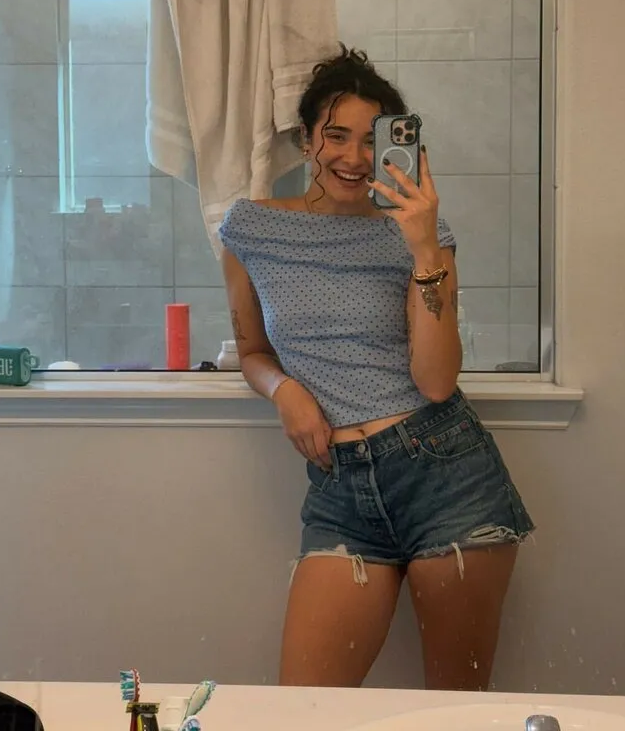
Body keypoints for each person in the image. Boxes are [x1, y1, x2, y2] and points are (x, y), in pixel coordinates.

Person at [217, 45, 534, 691]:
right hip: (339, 489)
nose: (355, 157)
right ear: (305, 139)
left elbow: (436, 381)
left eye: (372, 140)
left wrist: (423, 246)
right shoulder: (250, 229)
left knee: (455, 713)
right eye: (336, 135)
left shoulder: (422, 237)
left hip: (446, 472)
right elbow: (252, 352)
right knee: (304, 711)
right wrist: (284, 391)